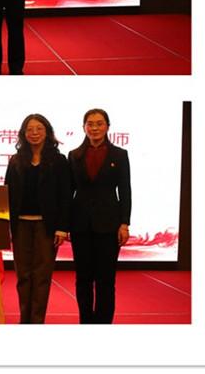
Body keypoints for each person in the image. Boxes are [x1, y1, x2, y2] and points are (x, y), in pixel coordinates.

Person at [5, 114, 70, 323]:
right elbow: (7, 194)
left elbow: (65, 195)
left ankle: (37, 321)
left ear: (47, 132)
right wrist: (6, 225)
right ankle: (24, 320)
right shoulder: (16, 160)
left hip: (47, 226)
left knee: (42, 276)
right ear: (23, 134)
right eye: (30, 129)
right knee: (23, 276)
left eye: (39, 129)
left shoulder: (59, 161)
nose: (34, 133)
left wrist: (62, 227)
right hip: (20, 225)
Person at [68, 108, 132, 323]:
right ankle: (85, 321)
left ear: (107, 127)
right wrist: (64, 224)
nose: (94, 128)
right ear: (83, 127)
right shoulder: (74, 155)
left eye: (99, 123)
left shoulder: (119, 155)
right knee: (83, 278)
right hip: (80, 224)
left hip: (109, 224)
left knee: (106, 279)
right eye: (90, 124)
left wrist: (124, 223)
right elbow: (68, 192)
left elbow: (125, 190)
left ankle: (103, 323)